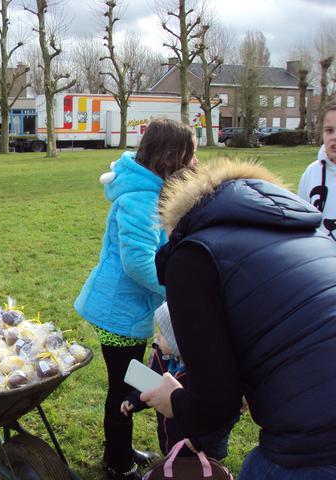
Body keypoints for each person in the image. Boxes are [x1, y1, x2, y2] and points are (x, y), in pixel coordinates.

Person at [141, 158, 336, 479]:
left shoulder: (193, 253)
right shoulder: (303, 225)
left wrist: (173, 400)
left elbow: (215, 406)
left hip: (314, 438)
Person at [74, 118, 198, 479]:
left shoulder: (152, 190)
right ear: (170, 157)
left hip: (130, 310)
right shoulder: (140, 199)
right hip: (118, 312)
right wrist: (175, 288)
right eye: (190, 156)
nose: (194, 162)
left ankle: (122, 448)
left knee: (132, 379)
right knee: (123, 387)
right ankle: (117, 462)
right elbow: (137, 263)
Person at [121, 303, 240, 461]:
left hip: (200, 450)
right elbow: (154, 384)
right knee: (175, 465)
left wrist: (202, 441)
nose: (157, 336)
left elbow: (225, 416)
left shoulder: (207, 376)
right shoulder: (163, 357)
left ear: (181, 340)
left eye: (163, 334)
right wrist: (135, 399)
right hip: (171, 439)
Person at [298, 101, 336, 239]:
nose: (334, 137)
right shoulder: (312, 172)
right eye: (329, 130)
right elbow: (301, 220)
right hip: (320, 257)